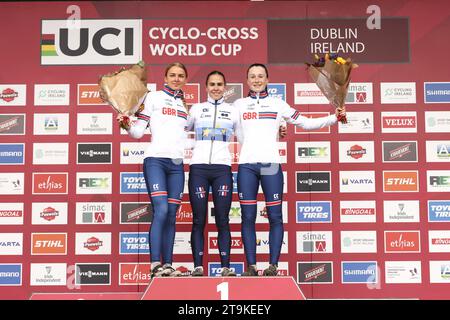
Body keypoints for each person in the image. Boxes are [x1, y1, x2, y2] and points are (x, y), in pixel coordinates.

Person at [235, 63, 345, 276]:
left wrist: (334, 118)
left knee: (275, 216)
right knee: (247, 217)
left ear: (267, 80)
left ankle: (273, 266)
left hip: (271, 165)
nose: (256, 80)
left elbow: (305, 122)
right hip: (247, 166)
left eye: (260, 76)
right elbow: (221, 125)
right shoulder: (238, 105)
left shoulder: (278, 104)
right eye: (252, 77)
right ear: (247, 80)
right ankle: (251, 266)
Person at [117, 62, 189, 278]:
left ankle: (168, 265)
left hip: (177, 165)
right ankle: (155, 264)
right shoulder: (153, 97)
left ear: (185, 79)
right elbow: (138, 132)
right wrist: (127, 124)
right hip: (156, 161)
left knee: (172, 215)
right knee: (162, 210)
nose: (176, 79)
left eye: (181, 76)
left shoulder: (185, 105)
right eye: (172, 75)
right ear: (165, 77)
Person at [186, 71, 239, 277]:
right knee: (199, 220)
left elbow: (247, 135)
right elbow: (179, 130)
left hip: (222, 169)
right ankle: (198, 267)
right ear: (206, 87)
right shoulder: (196, 109)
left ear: (225, 87)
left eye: (220, 84)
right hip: (198, 168)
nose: (216, 87)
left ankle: (226, 267)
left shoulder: (233, 111)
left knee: (223, 220)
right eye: (212, 84)